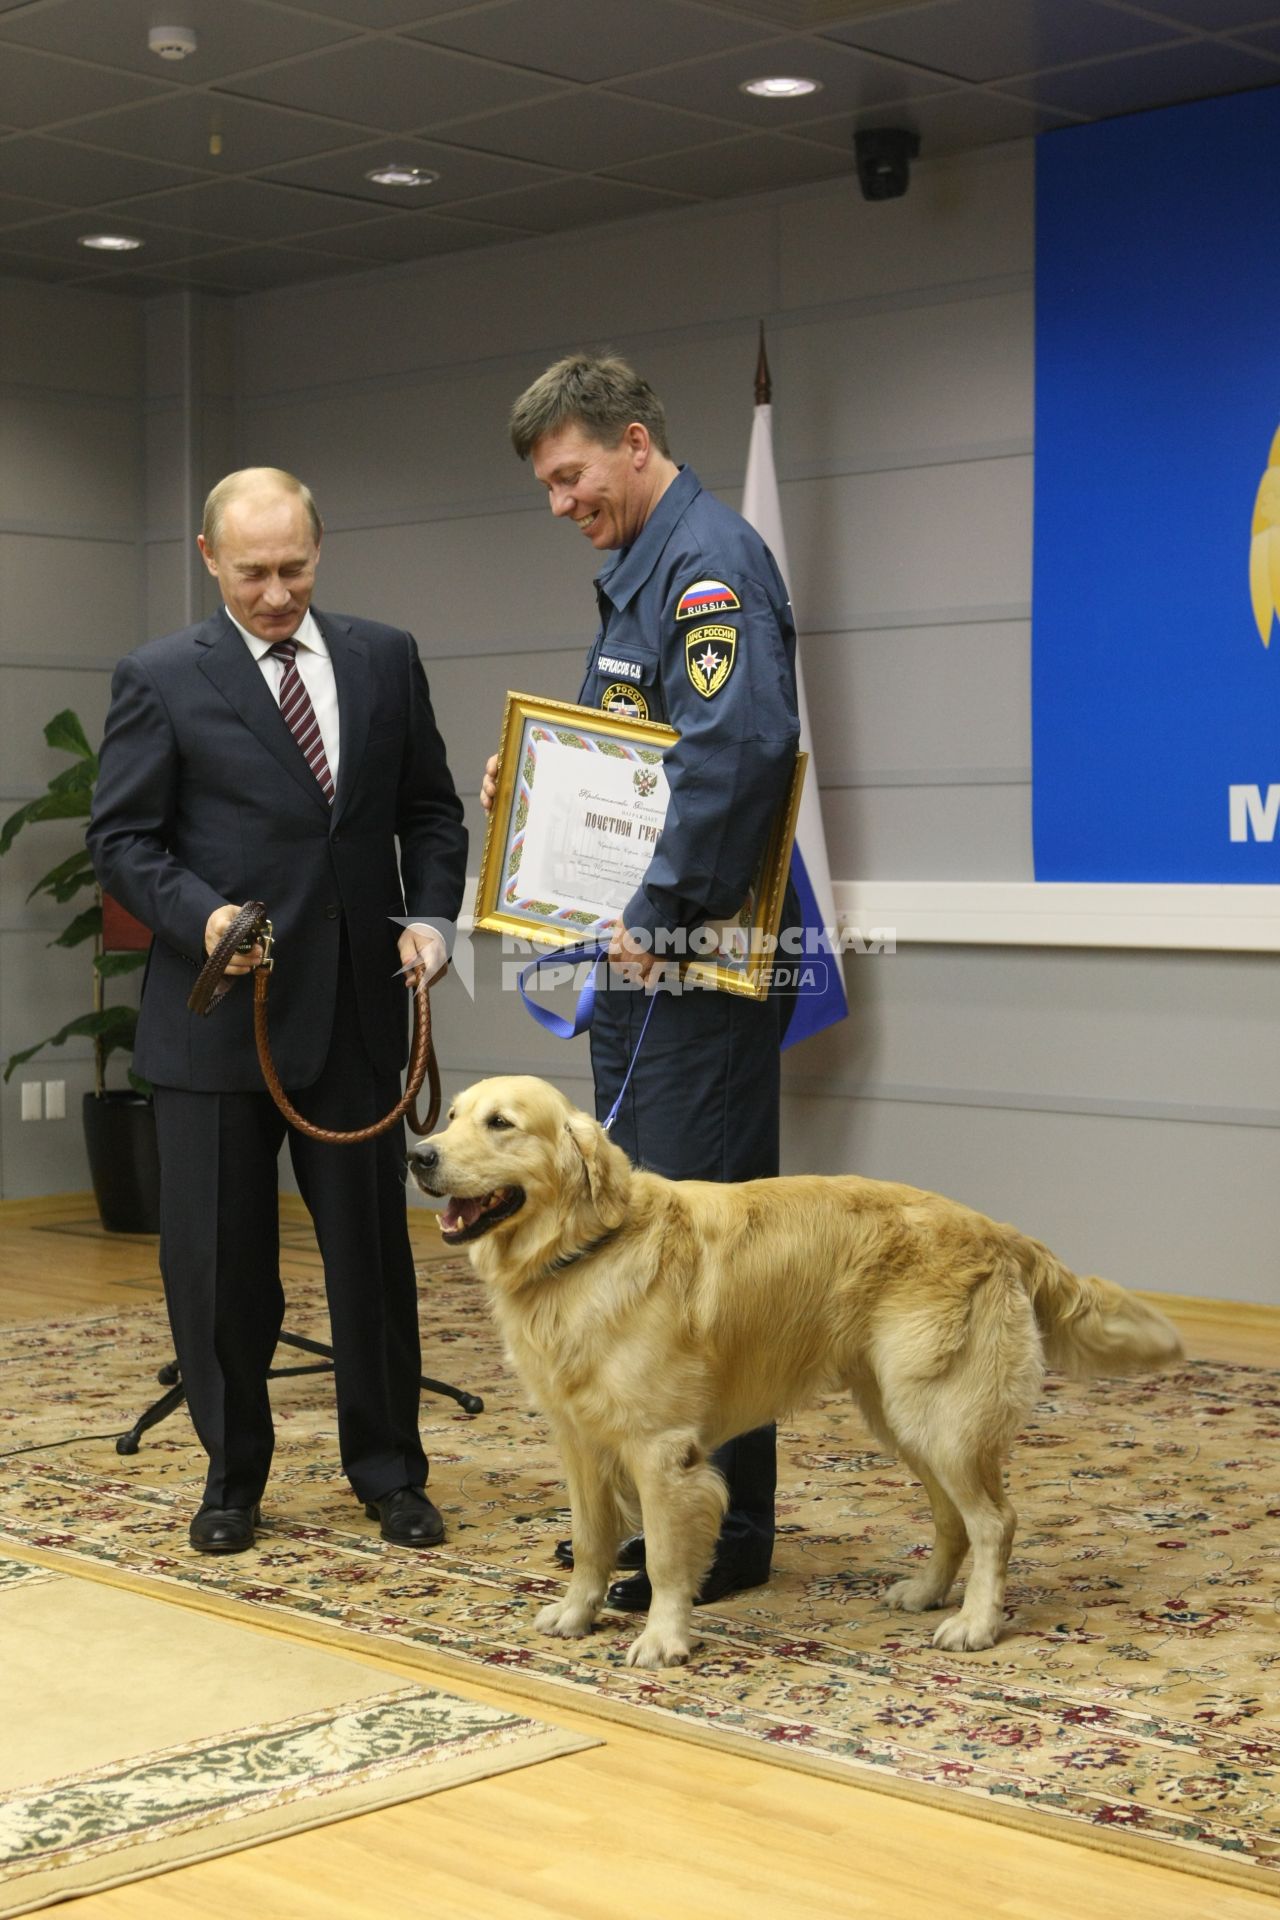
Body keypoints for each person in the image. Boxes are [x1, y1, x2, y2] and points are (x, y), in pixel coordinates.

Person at [89, 467, 467, 1556]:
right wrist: (202, 919)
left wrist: (430, 920)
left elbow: (429, 812)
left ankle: (389, 1471)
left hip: (354, 1015)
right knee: (218, 1267)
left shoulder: (384, 657)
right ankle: (233, 1480)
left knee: (370, 1261)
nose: (274, 593)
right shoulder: (160, 676)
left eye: (293, 568)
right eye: (251, 572)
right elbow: (123, 843)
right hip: (217, 1019)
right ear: (210, 559)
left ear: (318, 551)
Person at [483, 355, 800, 1609]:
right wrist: (532, 790)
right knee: (639, 1258)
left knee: (695, 1267)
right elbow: (632, 761)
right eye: (547, 486)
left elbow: (736, 756)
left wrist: (657, 908)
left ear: (630, 441)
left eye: (570, 475)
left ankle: (720, 1536)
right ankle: (651, 1514)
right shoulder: (638, 571)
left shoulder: (707, 564)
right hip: (637, 973)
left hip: (691, 968)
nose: (560, 501)